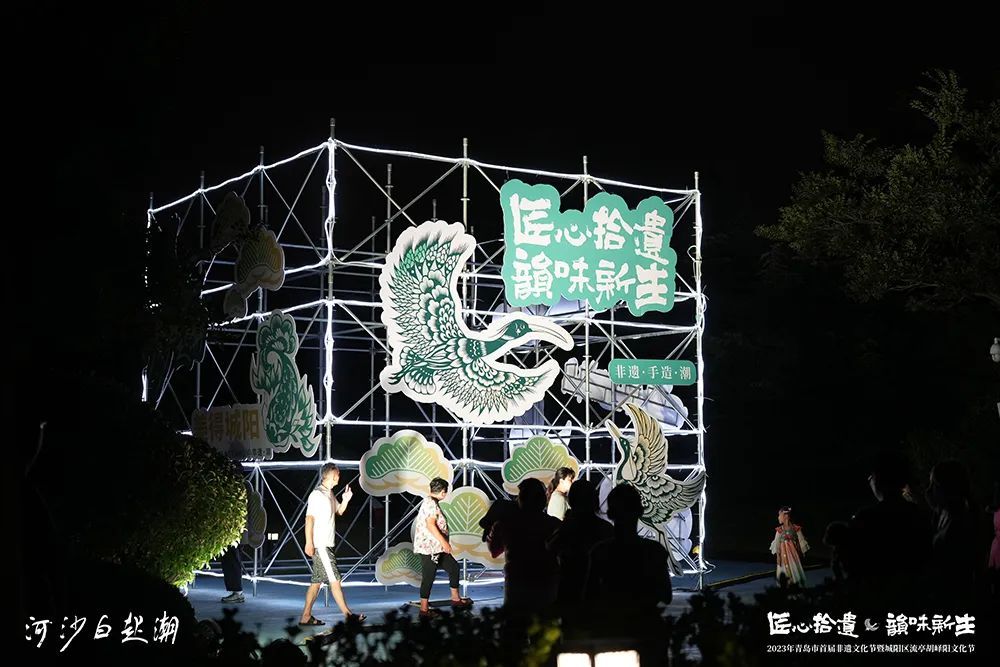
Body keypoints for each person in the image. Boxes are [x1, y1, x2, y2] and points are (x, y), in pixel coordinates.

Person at [299, 462, 364, 626]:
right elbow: (309, 519)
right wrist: (309, 543)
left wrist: (346, 499)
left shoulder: (329, 493)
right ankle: (348, 616)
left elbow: (339, 510)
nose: (339, 476)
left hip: (325, 545)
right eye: (337, 473)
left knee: (316, 583)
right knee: (335, 580)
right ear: (328, 475)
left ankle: (306, 616)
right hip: (321, 546)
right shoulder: (317, 494)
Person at [491, 478, 562, 612]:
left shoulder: (506, 524)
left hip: (517, 583)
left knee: (517, 621)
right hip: (546, 583)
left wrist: (492, 531)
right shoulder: (554, 524)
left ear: (521, 499)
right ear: (542, 499)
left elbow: (494, 551)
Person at [413, 477, 473, 618]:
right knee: (429, 576)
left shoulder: (431, 502)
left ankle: (455, 598)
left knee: (453, 568)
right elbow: (431, 525)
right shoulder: (430, 503)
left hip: (437, 548)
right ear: (443, 492)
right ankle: (424, 609)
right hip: (430, 548)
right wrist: (444, 542)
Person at [547, 479, 614, 605]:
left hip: (569, 590)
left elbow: (550, 551)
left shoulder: (565, 528)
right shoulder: (606, 529)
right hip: (598, 592)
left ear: (572, 500)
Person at [769, 507, 809, 587]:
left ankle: (796, 585)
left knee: (794, 570)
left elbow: (801, 541)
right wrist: (778, 556)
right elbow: (777, 544)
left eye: (780, 515)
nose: (778, 517)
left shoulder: (795, 529)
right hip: (783, 556)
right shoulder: (779, 530)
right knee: (784, 571)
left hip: (793, 555)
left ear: (786, 516)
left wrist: (801, 553)